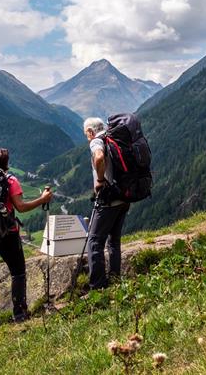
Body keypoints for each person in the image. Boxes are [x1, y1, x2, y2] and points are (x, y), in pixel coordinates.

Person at [0, 148, 52, 331]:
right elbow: (21, 207)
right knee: (17, 272)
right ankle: (19, 314)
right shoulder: (10, 180)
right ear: (7, 163)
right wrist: (43, 199)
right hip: (6, 233)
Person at [83, 118, 130, 290]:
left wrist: (100, 180)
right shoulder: (115, 138)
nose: (87, 138)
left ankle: (98, 286)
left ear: (90, 131)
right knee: (114, 240)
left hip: (108, 199)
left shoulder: (97, 141)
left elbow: (99, 157)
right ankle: (115, 279)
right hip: (124, 197)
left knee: (94, 241)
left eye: (86, 135)